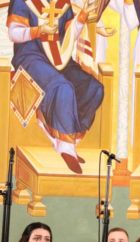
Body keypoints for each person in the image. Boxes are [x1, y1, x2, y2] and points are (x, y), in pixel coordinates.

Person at [7, 0, 104, 173]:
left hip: (60, 58)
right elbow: (14, 33)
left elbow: (69, 35)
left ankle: (69, 138)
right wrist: (39, 30)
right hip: (31, 57)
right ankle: (65, 147)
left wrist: (81, 18)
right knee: (62, 88)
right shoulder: (23, 1)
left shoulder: (63, 2)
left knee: (93, 88)